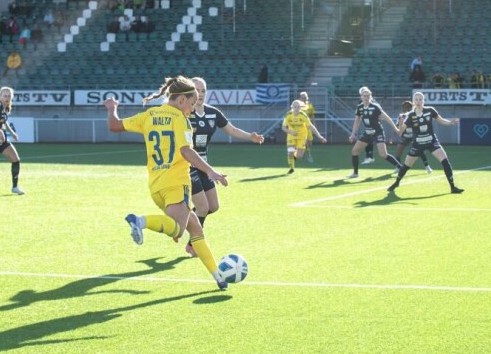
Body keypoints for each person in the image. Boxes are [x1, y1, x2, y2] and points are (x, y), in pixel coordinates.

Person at [104, 76, 232, 290]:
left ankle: (218, 276)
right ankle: (140, 221)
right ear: (181, 100)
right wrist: (211, 171)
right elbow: (185, 150)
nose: (192, 109)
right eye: (192, 103)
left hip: (156, 186)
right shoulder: (180, 119)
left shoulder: (149, 115)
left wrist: (111, 108)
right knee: (177, 232)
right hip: (176, 184)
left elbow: (115, 126)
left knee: (195, 229)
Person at [185, 77, 265, 256]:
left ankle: (185, 219)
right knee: (203, 207)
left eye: (203, 90)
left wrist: (250, 137)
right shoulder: (183, 114)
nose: (200, 94)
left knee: (213, 206)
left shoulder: (213, 113)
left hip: (204, 166)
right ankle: (193, 245)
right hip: (186, 166)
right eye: (196, 90)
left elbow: (232, 130)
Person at [387, 91, 463, 194]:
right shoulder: (410, 115)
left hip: (431, 141)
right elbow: (401, 131)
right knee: (407, 165)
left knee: (445, 161)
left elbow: (440, 120)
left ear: (423, 101)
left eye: (420, 99)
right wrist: (400, 124)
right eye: (416, 99)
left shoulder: (430, 110)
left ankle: (453, 187)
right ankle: (397, 182)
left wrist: (450, 123)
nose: (418, 101)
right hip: (417, 143)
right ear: (414, 102)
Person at [346, 86, 403, 179]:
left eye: (368, 96)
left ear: (370, 97)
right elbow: (357, 121)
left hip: (377, 133)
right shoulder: (360, 108)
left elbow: (387, 118)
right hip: (367, 133)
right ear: (361, 97)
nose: (366, 97)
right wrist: (353, 134)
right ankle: (355, 173)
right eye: (364, 96)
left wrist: (396, 129)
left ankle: (400, 167)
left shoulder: (375, 107)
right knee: (355, 151)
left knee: (383, 154)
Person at [283, 99, 326, 175]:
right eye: (295, 107)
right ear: (292, 107)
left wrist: (320, 136)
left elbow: (311, 126)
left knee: (299, 155)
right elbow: (283, 128)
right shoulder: (288, 115)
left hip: (302, 135)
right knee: (290, 152)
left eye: (298, 107)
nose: (296, 108)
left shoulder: (303, 115)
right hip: (291, 135)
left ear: (300, 108)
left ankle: (295, 155)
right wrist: (291, 132)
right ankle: (291, 168)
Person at [393, 100, 432, 174]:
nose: (405, 108)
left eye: (408, 107)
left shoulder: (414, 114)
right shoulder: (401, 116)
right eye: (404, 107)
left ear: (411, 107)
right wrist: (398, 128)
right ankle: (398, 167)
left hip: (414, 136)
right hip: (405, 136)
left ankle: (427, 166)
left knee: (420, 151)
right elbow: (398, 126)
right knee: (398, 151)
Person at [298, 91, 316, 163]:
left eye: (305, 97)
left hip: (309, 125)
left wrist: (314, 124)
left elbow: (312, 115)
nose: (303, 99)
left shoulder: (310, 105)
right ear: (300, 98)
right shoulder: (297, 105)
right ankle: (309, 155)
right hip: (301, 126)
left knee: (310, 142)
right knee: (305, 141)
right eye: (302, 97)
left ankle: (303, 152)